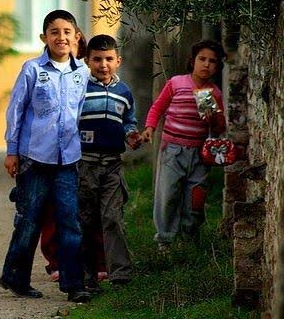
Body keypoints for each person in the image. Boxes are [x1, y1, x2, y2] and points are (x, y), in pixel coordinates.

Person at [0, 9, 91, 303]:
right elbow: (16, 111)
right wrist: (12, 151)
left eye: (67, 32)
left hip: (69, 161)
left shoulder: (83, 73)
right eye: (54, 32)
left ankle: (74, 284)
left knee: (70, 221)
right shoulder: (32, 70)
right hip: (33, 159)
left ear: (77, 37)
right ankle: (15, 277)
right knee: (29, 220)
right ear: (44, 38)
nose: (61, 37)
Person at [141, 40, 226, 252]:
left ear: (218, 67)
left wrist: (212, 117)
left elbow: (219, 127)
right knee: (167, 196)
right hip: (172, 151)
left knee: (195, 200)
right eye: (202, 59)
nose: (206, 64)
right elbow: (157, 107)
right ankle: (165, 242)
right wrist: (150, 127)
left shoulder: (213, 93)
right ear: (192, 61)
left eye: (212, 61)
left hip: (199, 155)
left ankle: (189, 240)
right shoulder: (177, 83)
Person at [39, 27, 107, 283]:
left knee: (91, 211)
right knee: (54, 211)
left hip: (89, 156)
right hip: (56, 153)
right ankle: (56, 262)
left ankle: (95, 261)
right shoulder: (45, 74)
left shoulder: (94, 83)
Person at [76, 34, 142, 292]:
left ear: (118, 61)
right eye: (97, 59)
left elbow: (129, 122)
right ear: (87, 60)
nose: (103, 64)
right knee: (85, 220)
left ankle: (120, 275)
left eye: (108, 59)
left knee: (112, 217)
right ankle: (86, 277)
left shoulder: (124, 92)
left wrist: (132, 135)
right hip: (84, 165)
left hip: (113, 165)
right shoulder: (81, 88)